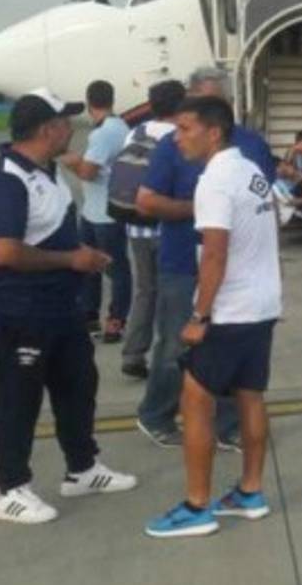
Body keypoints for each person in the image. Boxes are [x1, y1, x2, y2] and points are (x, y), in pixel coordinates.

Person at [0, 88, 137, 524]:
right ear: (48, 129)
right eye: (66, 122)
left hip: (59, 306)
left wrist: (81, 254)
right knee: (16, 398)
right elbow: (4, 252)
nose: (73, 128)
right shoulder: (5, 179)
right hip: (19, 309)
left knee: (77, 387)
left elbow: (48, 232)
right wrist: (73, 259)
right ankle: (9, 488)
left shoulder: (47, 172)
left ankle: (81, 468)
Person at [145, 96, 281, 538]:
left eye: (185, 128)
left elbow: (215, 253)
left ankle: (197, 505)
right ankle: (250, 491)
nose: (176, 137)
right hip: (262, 304)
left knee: (196, 401)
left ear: (213, 131)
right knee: (250, 396)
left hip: (230, 310)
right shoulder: (251, 171)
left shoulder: (214, 181)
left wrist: (199, 315)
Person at [134, 67, 274, 449]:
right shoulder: (172, 147)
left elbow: (264, 201)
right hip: (183, 262)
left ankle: (228, 425)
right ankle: (157, 413)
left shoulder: (252, 146)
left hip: (235, 270)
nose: (181, 132)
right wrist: (203, 211)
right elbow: (146, 200)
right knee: (175, 347)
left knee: (228, 348)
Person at [119, 79, 186, 379]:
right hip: (169, 227)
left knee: (144, 291)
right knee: (175, 294)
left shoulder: (136, 132)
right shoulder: (179, 137)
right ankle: (170, 356)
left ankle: (133, 353)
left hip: (136, 229)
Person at [61, 80, 131, 343]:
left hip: (103, 213)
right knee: (98, 267)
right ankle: (99, 316)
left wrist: (71, 161)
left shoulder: (103, 134)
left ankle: (111, 319)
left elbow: (89, 172)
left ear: (89, 103)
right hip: (97, 210)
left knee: (111, 268)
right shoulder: (121, 127)